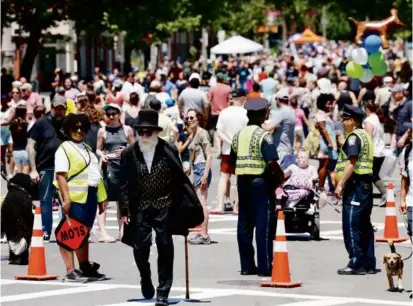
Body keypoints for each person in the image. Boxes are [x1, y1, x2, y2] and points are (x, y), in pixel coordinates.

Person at [119, 109, 203, 306]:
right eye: (142, 132)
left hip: (164, 204)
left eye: (149, 132)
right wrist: (124, 210)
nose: (146, 135)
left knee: (165, 245)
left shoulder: (168, 149)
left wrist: (184, 209)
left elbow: (178, 180)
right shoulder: (129, 153)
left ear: (156, 132)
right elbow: (123, 183)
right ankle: (145, 276)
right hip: (140, 205)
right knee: (140, 246)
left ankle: (163, 291)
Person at [230, 97, 284, 277]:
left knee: (244, 224)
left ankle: (246, 266)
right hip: (260, 182)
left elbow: (231, 162)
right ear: (263, 114)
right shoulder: (263, 136)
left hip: (242, 181)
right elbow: (271, 161)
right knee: (264, 224)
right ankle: (265, 266)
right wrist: (280, 176)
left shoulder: (238, 135)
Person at [54, 113, 107, 282]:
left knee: (83, 233)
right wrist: (66, 198)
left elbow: (94, 174)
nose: (78, 130)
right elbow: (61, 175)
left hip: (90, 196)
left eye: (82, 128)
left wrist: (101, 197)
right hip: (75, 197)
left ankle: (85, 266)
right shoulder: (64, 148)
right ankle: (70, 270)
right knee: (69, 232)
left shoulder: (88, 149)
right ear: (68, 130)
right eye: (75, 128)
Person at [334, 105, 375, 275]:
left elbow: (352, 162)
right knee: (364, 224)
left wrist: (340, 183)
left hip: (356, 184)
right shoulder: (365, 135)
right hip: (365, 185)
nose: (343, 122)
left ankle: (355, 262)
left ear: (352, 121)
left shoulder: (354, 137)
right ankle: (368, 262)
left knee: (351, 224)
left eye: (344, 119)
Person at [27, 95, 67, 241]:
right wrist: (33, 169)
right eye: (57, 108)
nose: (59, 112)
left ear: (66, 110)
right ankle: (45, 230)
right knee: (45, 200)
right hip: (46, 167)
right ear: (52, 108)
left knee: (65, 199)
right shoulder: (41, 122)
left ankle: (65, 229)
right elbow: (31, 145)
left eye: (62, 109)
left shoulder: (69, 123)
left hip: (65, 168)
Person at [96, 104, 134, 240]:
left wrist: (125, 150)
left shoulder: (127, 129)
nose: (111, 116)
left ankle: (122, 231)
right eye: (108, 114)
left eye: (114, 113)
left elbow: (134, 146)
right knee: (103, 201)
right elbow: (98, 148)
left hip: (123, 168)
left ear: (119, 114)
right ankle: (103, 232)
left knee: (122, 201)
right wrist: (102, 155)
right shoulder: (102, 131)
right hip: (108, 168)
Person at [213, 89, 248, 214]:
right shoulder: (246, 113)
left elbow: (219, 132)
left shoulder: (224, 112)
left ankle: (219, 206)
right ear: (243, 98)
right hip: (242, 149)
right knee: (240, 179)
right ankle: (236, 207)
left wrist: (230, 141)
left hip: (227, 149)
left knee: (224, 177)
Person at [186, 109, 213, 245]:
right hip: (197, 168)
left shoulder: (203, 133)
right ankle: (201, 232)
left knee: (202, 202)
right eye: (187, 118)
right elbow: (194, 153)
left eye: (192, 117)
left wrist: (205, 175)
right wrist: (190, 167)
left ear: (198, 118)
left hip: (202, 168)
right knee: (199, 202)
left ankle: (204, 234)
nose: (189, 120)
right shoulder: (194, 134)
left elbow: (209, 155)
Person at [262, 88, 296, 169]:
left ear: (277, 100)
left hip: (281, 149)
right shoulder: (290, 111)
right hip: (288, 148)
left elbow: (267, 127)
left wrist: (258, 120)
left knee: (278, 177)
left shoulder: (282, 112)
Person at [363, 102, 386, 206]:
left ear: (367, 109)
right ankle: (384, 194)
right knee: (373, 174)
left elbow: (367, 137)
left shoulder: (369, 120)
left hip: (374, 151)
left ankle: (385, 193)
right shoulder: (377, 119)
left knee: (370, 174)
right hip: (380, 151)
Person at [314, 94, 338, 192]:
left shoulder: (324, 114)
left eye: (331, 104)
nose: (330, 106)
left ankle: (321, 185)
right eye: (328, 104)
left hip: (327, 143)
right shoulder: (320, 114)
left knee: (326, 165)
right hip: (324, 144)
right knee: (324, 165)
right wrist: (329, 142)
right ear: (322, 104)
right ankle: (320, 187)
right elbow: (323, 129)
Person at [9, 104, 29, 174]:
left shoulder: (12, 124)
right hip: (25, 150)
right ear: (25, 113)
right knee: (25, 171)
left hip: (15, 151)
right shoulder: (26, 125)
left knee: (17, 173)